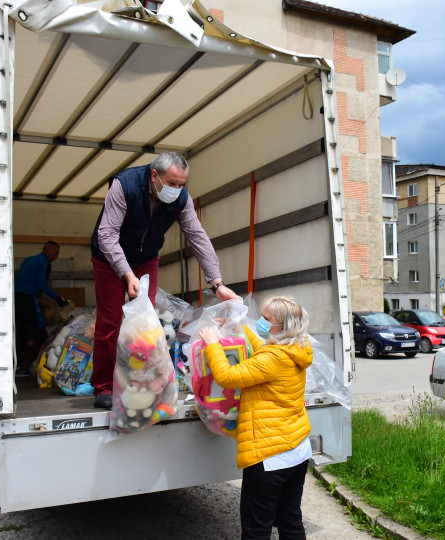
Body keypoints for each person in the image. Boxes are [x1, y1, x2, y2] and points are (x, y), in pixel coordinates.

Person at [90, 151, 239, 408]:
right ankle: (104, 386)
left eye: (181, 184)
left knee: (145, 324)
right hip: (108, 257)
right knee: (110, 322)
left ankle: (139, 384)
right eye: (172, 183)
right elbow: (107, 234)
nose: (177, 189)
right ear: (154, 175)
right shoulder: (124, 186)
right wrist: (127, 274)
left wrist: (217, 283)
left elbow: (197, 236)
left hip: (146, 258)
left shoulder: (181, 198)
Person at [199, 295, 313, 540]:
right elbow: (263, 352)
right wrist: (238, 327)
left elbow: (228, 377)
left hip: (270, 455)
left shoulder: (273, 358)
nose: (260, 321)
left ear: (281, 326)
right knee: (290, 519)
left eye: (266, 318)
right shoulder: (295, 348)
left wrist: (212, 345)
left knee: (256, 529)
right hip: (297, 449)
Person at [14, 241, 67, 375]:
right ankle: (42, 364)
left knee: (21, 331)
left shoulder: (29, 260)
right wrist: (58, 299)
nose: (56, 256)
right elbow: (41, 284)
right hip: (28, 298)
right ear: (47, 250)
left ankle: (17, 364)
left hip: (16, 297)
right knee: (40, 331)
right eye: (55, 253)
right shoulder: (43, 262)